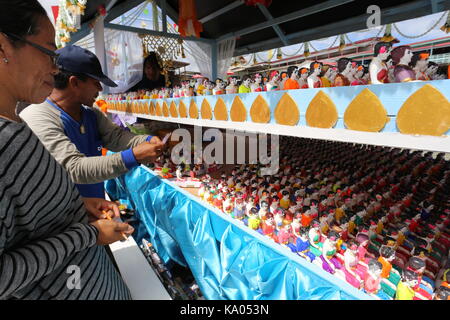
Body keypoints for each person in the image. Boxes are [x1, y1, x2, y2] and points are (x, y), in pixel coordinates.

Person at [0, 0, 132, 299]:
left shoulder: (16, 124)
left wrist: (74, 207)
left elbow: (28, 214)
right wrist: (90, 234)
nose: (54, 67)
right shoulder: (18, 131)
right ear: (3, 47)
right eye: (48, 51)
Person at [21, 45, 164, 198]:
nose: (100, 89)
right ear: (75, 83)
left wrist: (147, 140)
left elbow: (117, 137)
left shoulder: (91, 114)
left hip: (92, 212)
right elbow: (74, 168)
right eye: (96, 82)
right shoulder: (39, 117)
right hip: (62, 219)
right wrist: (133, 156)